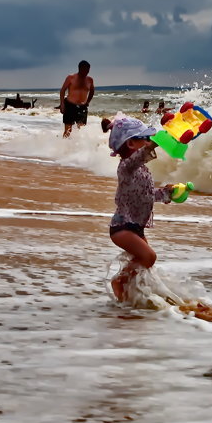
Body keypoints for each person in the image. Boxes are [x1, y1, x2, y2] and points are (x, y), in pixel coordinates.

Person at [101, 115, 176, 302]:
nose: (148, 141)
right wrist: (155, 143)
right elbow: (138, 158)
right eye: (144, 138)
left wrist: (167, 193)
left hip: (136, 227)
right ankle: (119, 282)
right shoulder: (126, 167)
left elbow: (147, 195)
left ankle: (131, 297)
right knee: (149, 256)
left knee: (146, 265)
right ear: (131, 144)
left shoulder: (143, 171)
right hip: (122, 228)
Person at [59, 60, 95, 138]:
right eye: (85, 70)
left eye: (88, 70)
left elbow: (92, 92)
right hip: (70, 105)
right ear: (80, 69)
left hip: (82, 107)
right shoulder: (70, 78)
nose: (87, 72)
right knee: (68, 130)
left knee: (80, 131)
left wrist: (87, 102)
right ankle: (64, 148)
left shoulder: (90, 80)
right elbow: (62, 91)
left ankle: (77, 149)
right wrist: (62, 104)